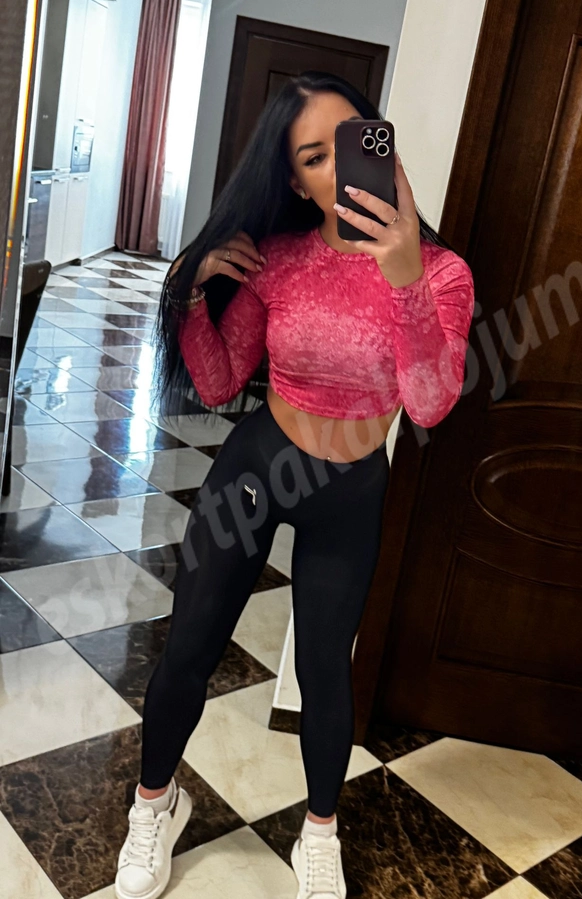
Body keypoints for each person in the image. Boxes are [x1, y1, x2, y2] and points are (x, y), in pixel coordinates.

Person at [114, 70, 474, 899]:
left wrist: (405, 277)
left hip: (350, 491)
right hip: (258, 468)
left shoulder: (442, 273)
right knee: (189, 646)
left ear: (378, 142)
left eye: (349, 141)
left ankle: (319, 832)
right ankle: (154, 804)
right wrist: (189, 294)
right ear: (295, 181)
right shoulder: (278, 259)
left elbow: (428, 404)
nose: (339, 170)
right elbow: (218, 382)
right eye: (315, 157)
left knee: (323, 669)